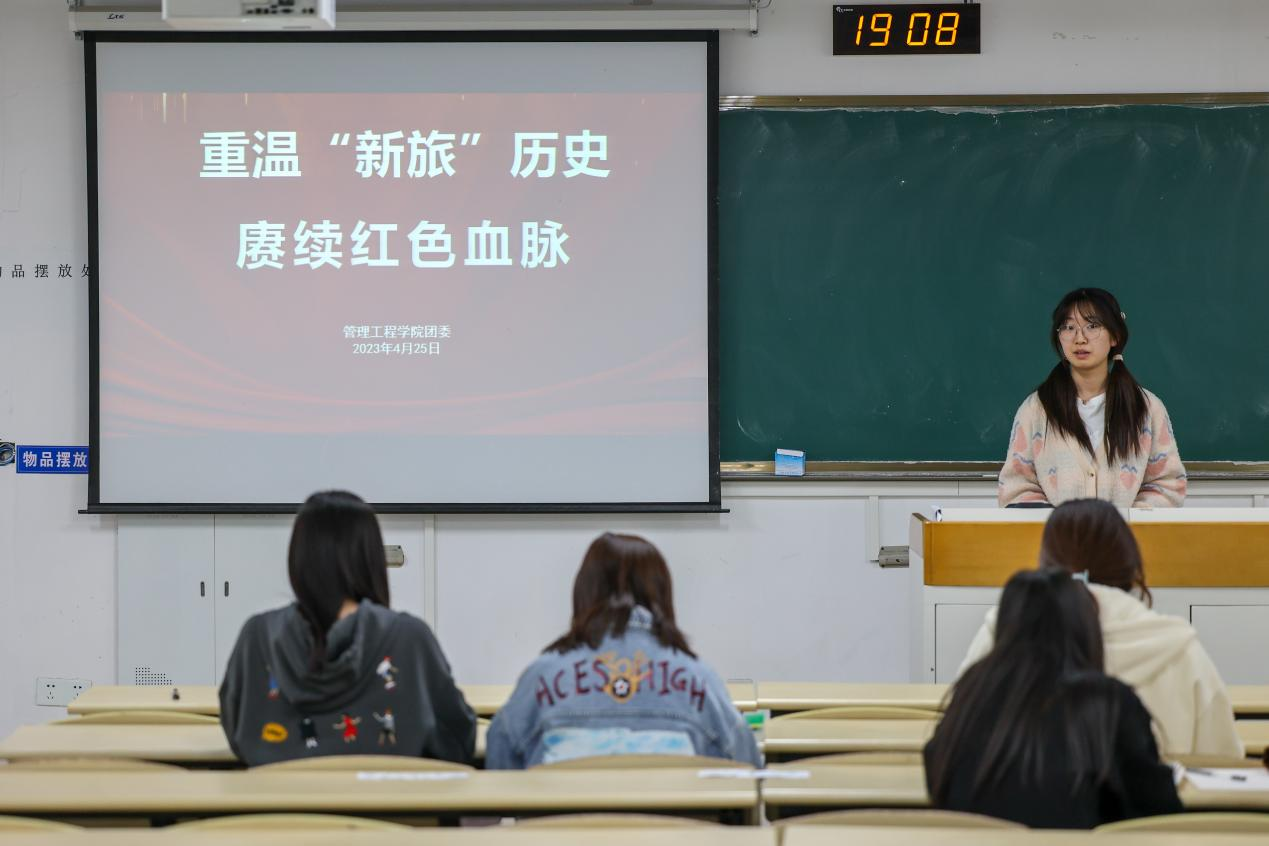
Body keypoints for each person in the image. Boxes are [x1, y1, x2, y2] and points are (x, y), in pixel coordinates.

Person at [958, 498, 1242, 757]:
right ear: (1130, 566)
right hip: (1148, 810)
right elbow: (1224, 764)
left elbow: (957, 734)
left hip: (1014, 813)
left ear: (1044, 564)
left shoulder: (1002, 633)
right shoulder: (1179, 650)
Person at [219, 490, 476, 766]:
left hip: (277, 807)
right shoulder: (410, 639)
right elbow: (457, 742)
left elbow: (237, 733)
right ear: (371, 559)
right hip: (390, 807)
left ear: (298, 559)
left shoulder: (257, 638)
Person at [926, 568, 1182, 829]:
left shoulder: (973, 692)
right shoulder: (1108, 702)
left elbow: (935, 768)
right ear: (1084, 627)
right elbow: (1159, 809)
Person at [485, 532, 761, 769]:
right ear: (661, 592)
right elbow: (747, 766)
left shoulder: (542, 675)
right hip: (672, 831)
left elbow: (500, 764)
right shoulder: (699, 678)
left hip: (562, 830)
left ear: (584, 591)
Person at [998, 288, 1185, 508]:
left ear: (1115, 336)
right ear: (1059, 337)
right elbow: (1017, 487)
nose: (1080, 338)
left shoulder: (1147, 408)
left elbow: (1167, 484)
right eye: (1068, 327)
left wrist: (1122, 526)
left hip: (1125, 540)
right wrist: (1062, 528)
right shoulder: (1036, 410)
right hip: (1058, 540)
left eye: (1092, 326)